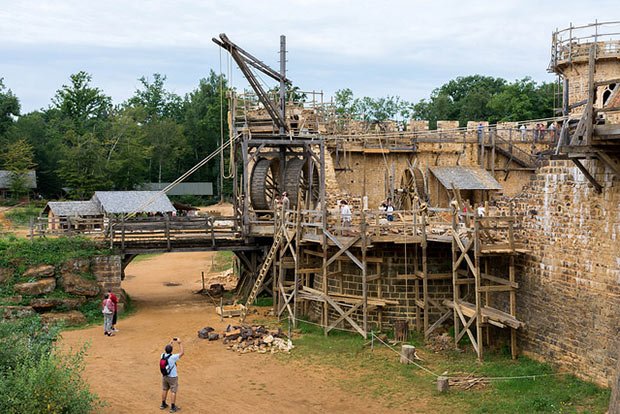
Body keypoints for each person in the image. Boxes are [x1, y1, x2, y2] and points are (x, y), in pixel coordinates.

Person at [160, 337, 184, 412]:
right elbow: (182, 353)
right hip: (173, 377)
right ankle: (172, 407)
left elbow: (167, 349)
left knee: (164, 389)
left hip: (165, 376)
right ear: (171, 350)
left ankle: (163, 404)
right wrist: (180, 343)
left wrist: (170, 343)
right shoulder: (173, 357)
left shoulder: (162, 355)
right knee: (173, 391)